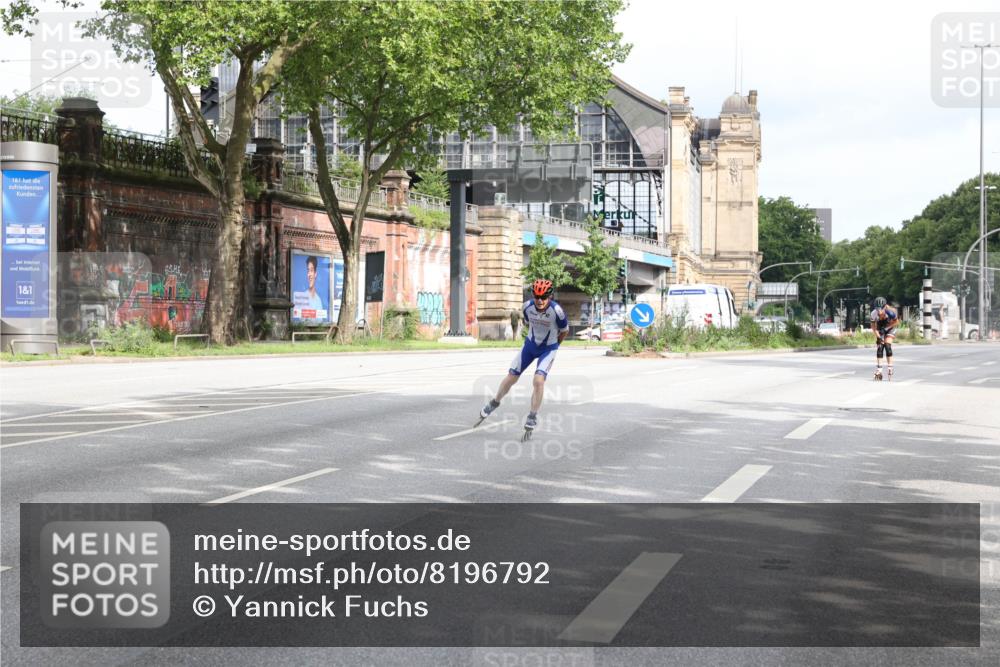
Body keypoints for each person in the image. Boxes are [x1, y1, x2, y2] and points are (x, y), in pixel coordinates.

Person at [478, 278, 569, 436]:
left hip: (548, 348)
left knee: (538, 380)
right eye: (537, 297)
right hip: (530, 346)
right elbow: (528, 323)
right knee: (512, 376)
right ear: (533, 295)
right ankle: (495, 401)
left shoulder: (557, 311)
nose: (540, 301)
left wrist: (555, 346)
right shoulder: (527, 307)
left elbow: (565, 331)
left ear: (550, 296)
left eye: (544, 297)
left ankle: (532, 416)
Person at [870, 296, 899, 379]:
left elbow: (896, 322)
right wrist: (878, 338)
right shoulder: (873, 313)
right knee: (880, 347)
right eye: (877, 309)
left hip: (891, 327)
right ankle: (879, 369)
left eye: (881, 309)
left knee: (887, 345)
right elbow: (873, 327)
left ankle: (890, 367)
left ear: (885, 306)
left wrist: (885, 328)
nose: (879, 311)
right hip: (880, 328)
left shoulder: (891, 312)